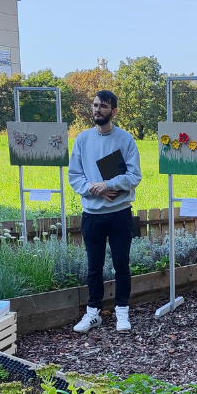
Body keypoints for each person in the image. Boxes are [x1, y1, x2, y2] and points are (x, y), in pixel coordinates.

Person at [68, 90, 142, 334]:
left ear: (114, 111)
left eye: (103, 106)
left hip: (120, 213)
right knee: (94, 267)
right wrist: (96, 190)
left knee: (121, 264)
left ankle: (122, 311)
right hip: (92, 214)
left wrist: (108, 184)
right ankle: (93, 313)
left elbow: (134, 175)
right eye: (95, 105)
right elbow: (74, 176)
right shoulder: (82, 139)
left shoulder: (125, 139)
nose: (97, 109)